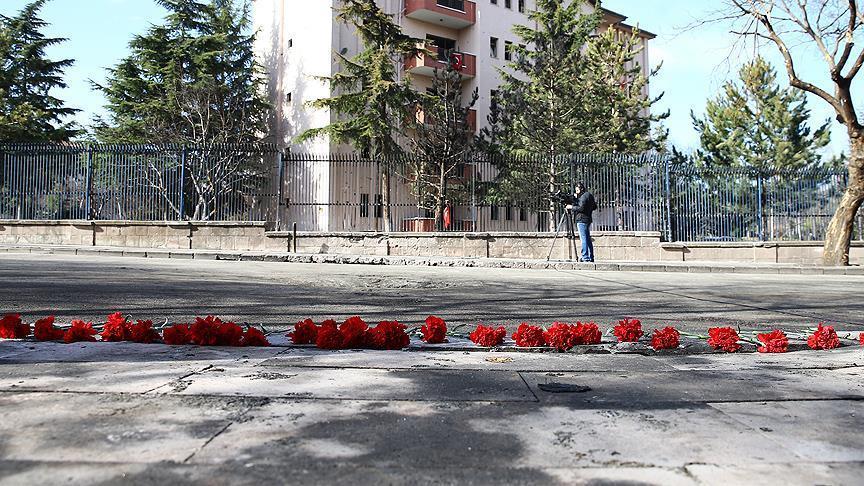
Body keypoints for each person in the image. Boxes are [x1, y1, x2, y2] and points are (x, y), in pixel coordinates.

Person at [572, 182, 597, 262]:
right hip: (588, 219)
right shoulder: (589, 195)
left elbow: (581, 208)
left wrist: (571, 207)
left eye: (577, 190)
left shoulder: (583, 197)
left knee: (583, 239)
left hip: (581, 219)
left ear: (581, 189)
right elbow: (594, 207)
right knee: (587, 238)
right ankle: (591, 257)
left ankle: (585, 257)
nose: (576, 192)